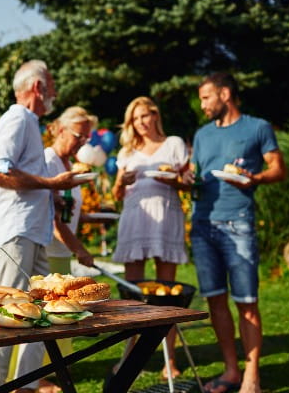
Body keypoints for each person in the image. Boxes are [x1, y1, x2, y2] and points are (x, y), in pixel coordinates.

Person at [0, 59, 83, 393]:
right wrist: (52, 182)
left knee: (41, 315)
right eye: (51, 84)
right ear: (37, 87)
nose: (54, 91)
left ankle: (24, 386)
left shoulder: (29, 122)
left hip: (31, 235)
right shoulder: (17, 118)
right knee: (9, 318)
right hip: (15, 234)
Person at [191, 72, 286, 393]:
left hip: (238, 223)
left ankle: (252, 376)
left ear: (225, 94)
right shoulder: (202, 135)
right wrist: (182, 180)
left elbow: (278, 168)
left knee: (247, 301)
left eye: (206, 97)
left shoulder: (257, 127)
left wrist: (254, 178)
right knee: (215, 300)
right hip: (202, 225)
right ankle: (231, 370)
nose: (202, 104)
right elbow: (196, 176)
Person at [110, 96, 190, 379]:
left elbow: (187, 182)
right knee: (133, 295)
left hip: (166, 216)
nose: (141, 123)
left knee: (168, 294)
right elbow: (116, 194)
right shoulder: (127, 152)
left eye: (145, 116)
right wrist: (122, 181)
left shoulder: (174, 144)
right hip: (135, 219)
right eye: (135, 118)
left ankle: (171, 361)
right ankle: (129, 359)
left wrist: (175, 181)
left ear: (155, 115)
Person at [45, 106, 98, 273]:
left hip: (63, 252)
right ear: (61, 130)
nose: (82, 142)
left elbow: (66, 209)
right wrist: (79, 250)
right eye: (78, 136)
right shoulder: (49, 161)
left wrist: (90, 218)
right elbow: (51, 216)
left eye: (86, 138)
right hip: (49, 252)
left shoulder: (70, 164)